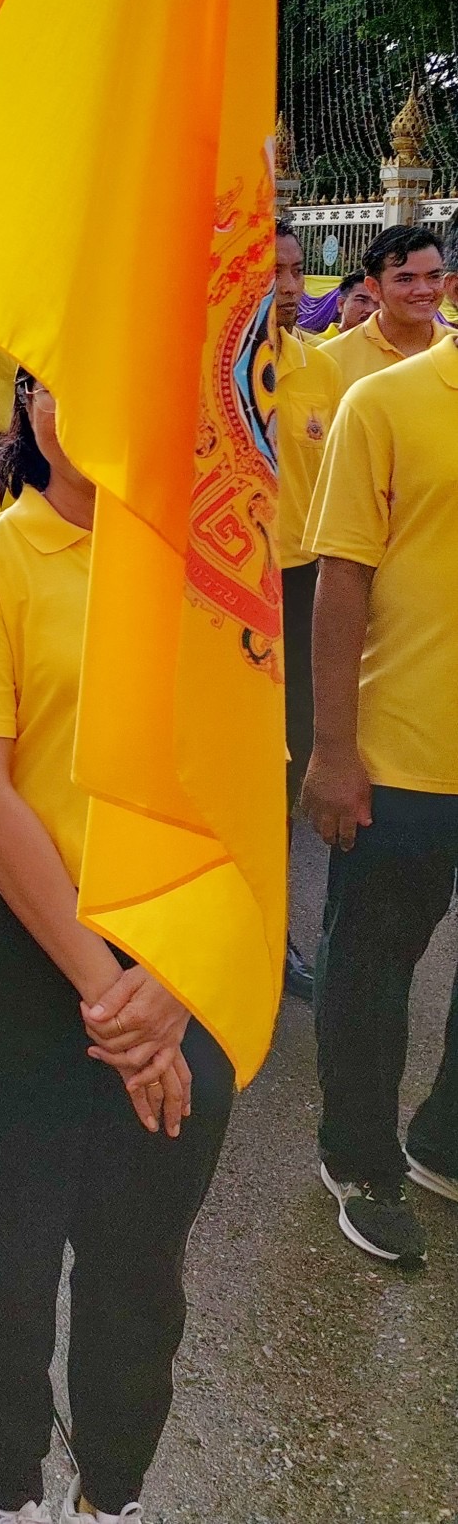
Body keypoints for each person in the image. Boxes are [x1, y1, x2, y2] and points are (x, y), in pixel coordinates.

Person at [0, 374, 234, 1524]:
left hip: (187, 939)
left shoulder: (213, 566)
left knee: (138, 1263)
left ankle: (114, 1496)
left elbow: (250, 773)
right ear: (29, 405)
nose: (98, 401)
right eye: (65, 379)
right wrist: (112, 995)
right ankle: (9, 1493)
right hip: (16, 944)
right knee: (4, 1262)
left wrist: (175, 977)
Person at [300, 309, 458, 1266]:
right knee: (370, 968)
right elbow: (341, 577)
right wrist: (331, 749)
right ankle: (358, 1157)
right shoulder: (387, 400)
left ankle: (442, 1142)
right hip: (403, 754)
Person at [274, 222, 341, 1002]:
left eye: (295, 271)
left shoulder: (317, 371)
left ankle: (272, 935)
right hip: (207, 596)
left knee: (283, 770)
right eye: (270, 273)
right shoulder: (196, 373)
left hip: (297, 590)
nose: (288, 287)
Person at [319, 223, 443, 396]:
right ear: (374, 288)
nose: (424, 290)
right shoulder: (328, 360)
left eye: (434, 276)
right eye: (406, 279)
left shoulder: (452, 346)